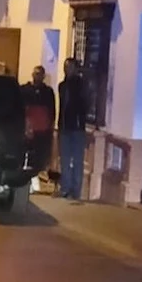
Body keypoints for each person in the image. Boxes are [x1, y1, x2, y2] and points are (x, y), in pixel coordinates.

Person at [57, 58, 91, 200]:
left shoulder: (81, 85)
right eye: (65, 67)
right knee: (64, 160)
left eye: (70, 67)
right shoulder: (62, 85)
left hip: (77, 127)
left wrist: (80, 120)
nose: (67, 69)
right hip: (64, 127)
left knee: (77, 160)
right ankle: (65, 188)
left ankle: (76, 191)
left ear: (76, 68)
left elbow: (85, 104)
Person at [20, 64, 56, 184]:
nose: (38, 77)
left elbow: (52, 110)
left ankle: (37, 180)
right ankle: (28, 179)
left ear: (43, 76)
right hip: (28, 129)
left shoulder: (48, 92)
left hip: (43, 130)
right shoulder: (24, 90)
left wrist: (50, 127)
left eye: (40, 74)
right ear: (32, 75)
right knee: (27, 155)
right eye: (36, 74)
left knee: (41, 156)